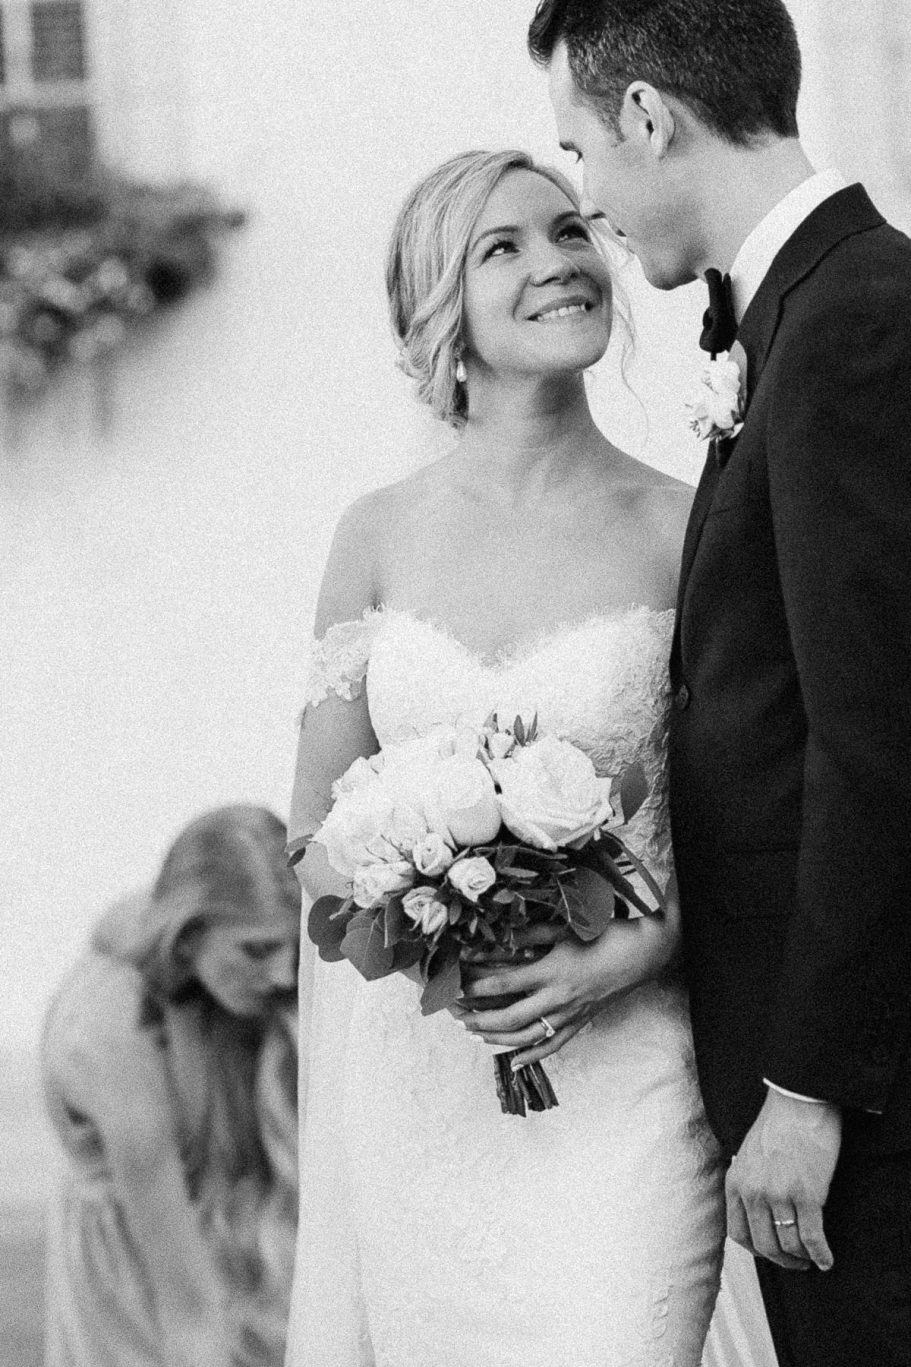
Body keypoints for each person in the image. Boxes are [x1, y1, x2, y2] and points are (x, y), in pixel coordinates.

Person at [286, 147, 727, 1367]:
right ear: (442, 308)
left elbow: (754, 811)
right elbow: (310, 833)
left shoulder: (685, 525)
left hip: (625, 1091)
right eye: (504, 247)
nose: (558, 261)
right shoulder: (374, 534)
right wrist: (420, 891)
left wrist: (653, 939)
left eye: (571, 230)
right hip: (423, 1099)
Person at [528, 2, 911, 1364]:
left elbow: (875, 742)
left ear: (646, 116)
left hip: (858, 1102)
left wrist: (806, 1085)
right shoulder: (800, 308)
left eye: (577, 149)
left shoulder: (852, 319)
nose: (585, 198)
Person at [42, 804, 300, 1367]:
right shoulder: (114, 1032)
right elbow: (189, 1308)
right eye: (256, 949)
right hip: (138, 1285)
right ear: (185, 937)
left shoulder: (216, 984)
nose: (284, 975)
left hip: (233, 1265)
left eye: (293, 951)